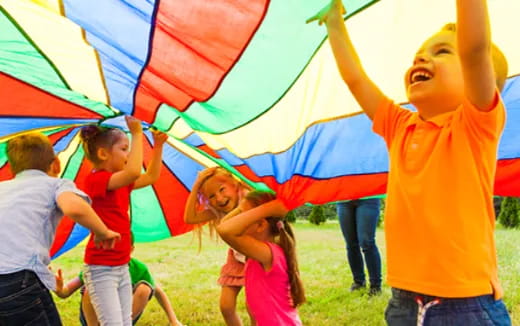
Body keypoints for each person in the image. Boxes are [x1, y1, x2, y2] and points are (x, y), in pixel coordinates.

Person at [308, 0, 511, 325]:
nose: (421, 57)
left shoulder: (475, 126)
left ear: (479, 77)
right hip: (403, 302)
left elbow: (475, 49)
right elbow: (356, 80)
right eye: (420, 53)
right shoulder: (399, 126)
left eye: (443, 51)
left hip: (466, 305)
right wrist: (335, 24)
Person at [0, 132, 120, 325]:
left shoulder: (3, 187)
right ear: (56, 164)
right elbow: (73, 207)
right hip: (19, 279)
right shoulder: (55, 184)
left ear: (13, 170)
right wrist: (102, 231)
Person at [80, 116, 167, 325]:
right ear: (103, 154)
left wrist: (158, 146)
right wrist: (137, 134)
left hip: (121, 265)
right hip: (101, 268)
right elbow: (134, 171)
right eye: (124, 149)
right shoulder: (96, 179)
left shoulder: (120, 181)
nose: (129, 155)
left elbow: (151, 176)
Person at [216, 191, 305, 326]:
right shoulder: (260, 252)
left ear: (261, 225)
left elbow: (225, 230)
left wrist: (269, 208)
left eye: (243, 215)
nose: (238, 219)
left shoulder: (269, 253)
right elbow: (224, 225)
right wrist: (243, 207)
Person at [184, 167, 252, 326]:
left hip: (256, 259)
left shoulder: (247, 198)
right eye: (212, 196)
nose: (219, 198)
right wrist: (197, 185)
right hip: (236, 259)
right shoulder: (216, 211)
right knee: (226, 306)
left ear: (235, 185)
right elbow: (189, 217)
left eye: (222, 189)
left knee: (253, 307)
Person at [53, 258, 183, 326]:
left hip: (123, 316)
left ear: (130, 249)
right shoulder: (96, 267)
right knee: (90, 288)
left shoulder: (138, 268)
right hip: (95, 318)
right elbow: (66, 292)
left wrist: (173, 320)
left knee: (145, 288)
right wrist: (58, 288)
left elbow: (157, 291)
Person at [336, 198, 382, 296]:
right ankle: (359, 282)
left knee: (366, 242)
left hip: (368, 197)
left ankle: (375, 286)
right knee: (351, 244)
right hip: (344, 198)